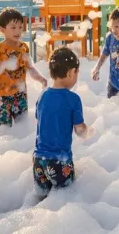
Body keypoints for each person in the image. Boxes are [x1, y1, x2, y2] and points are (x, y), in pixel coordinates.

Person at [33, 47, 93, 199]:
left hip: (38, 160)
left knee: (42, 200)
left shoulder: (43, 96)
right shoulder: (73, 99)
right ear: (71, 72)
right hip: (60, 161)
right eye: (77, 73)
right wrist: (88, 132)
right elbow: (79, 130)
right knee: (64, 201)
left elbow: (40, 119)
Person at [0, 8, 48, 128]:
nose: (18, 31)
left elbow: (30, 68)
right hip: (2, 96)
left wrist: (41, 78)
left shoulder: (23, 47)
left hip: (21, 95)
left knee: (22, 127)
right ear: (2, 30)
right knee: (3, 130)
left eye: (20, 27)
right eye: (13, 27)